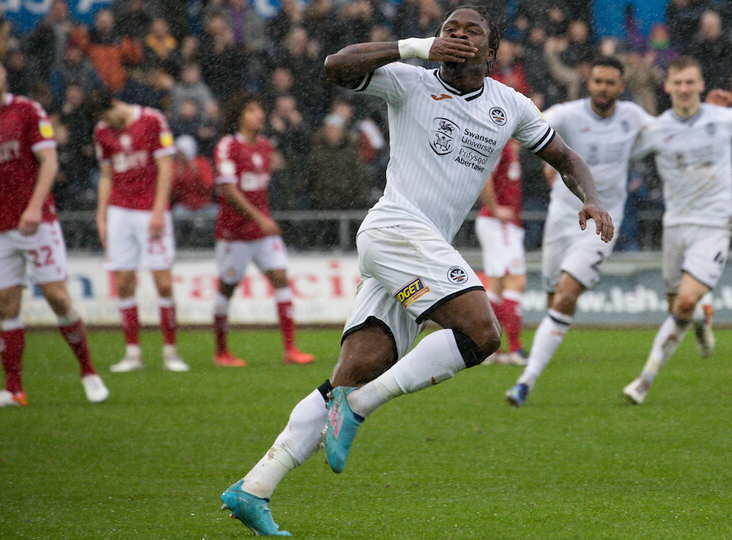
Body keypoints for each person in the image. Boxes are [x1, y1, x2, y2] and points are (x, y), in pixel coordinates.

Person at [218, 6, 613, 536]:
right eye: (450, 28)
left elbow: (565, 158)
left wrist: (593, 199)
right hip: (395, 230)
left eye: (472, 31)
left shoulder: (510, 105)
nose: (458, 35)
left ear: (491, 51)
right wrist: (412, 46)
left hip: (421, 247)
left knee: (357, 369)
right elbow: (335, 65)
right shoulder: (408, 81)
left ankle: (254, 487)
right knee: (481, 332)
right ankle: (358, 410)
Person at [0, 50, 108, 408]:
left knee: (57, 297)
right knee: (5, 305)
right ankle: (13, 390)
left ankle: (88, 372)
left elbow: (49, 161)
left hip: (38, 223)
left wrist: (35, 207)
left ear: (4, 74)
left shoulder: (27, 110)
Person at [505, 56, 654, 406]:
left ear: (621, 86)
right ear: (589, 82)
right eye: (598, 81)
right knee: (554, 297)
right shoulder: (568, 114)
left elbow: (666, 132)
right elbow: (531, 126)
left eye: (610, 83)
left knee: (568, 294)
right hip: (562, 218)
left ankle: (525, 381)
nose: (603, 88)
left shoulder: (633, 117)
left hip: (602, 222)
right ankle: (546, 344)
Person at [622, 56, 732, 405]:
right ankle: (703, 319)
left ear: (701, 85)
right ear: (667, 86)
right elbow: (620, 158)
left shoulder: (726, 119)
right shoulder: (655, 130)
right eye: (678, 83)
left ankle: (645, 379)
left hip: (715, 223)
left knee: (684, 301)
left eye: (690, 82)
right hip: (675, 225)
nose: (684, 89)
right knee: (679, 305)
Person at [88, 89, 189, 373]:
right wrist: (101, 216)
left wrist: (158, 211)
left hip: (150, 210)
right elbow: (106, 176)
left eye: (108, 117)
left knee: (164, 283)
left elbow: (165, 167)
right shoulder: (102, 132)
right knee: (123, 282)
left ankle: (171, 352)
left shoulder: (152, 120)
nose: (108, 124)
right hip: (119, 210)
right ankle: (133, 353)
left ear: (115, 103)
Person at [211, 92, 315, 367]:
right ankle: (221, 352)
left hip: (262, 232)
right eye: (252, 110)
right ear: (239, 117)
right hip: (235, 234)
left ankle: (290, 349)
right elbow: (229, 190)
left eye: (261, 109)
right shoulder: (227, 146)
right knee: (227, 288)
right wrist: (260, 218)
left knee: (280, 277)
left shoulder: (266, 146)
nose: (259, 115)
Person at [475, 140, 527, 366]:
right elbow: (483, 177)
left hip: (499, 223)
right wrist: (495, 209)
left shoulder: (510, 147)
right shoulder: (502, 146)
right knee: (516, 281)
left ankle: (489, 349)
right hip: (499, 223)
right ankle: (515, 349)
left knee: (495, 285)